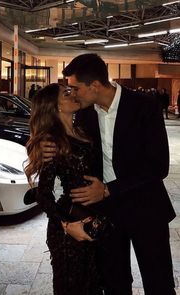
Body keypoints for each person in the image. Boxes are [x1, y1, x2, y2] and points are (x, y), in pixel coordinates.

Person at [41, 53, 176, 295]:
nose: (72, 93)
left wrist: (108, 188)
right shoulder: (83, 113)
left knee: (159, 281)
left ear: (94, 85)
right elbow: (57, 129)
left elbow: (158, 166)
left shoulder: (144, 106)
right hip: (105, 213)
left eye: (75, 87)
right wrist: (44, 146)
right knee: (114, 282)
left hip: (146, 208)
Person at [24, 83, 104, 295]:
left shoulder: (81, 130)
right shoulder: (51, 142)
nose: (73, 94)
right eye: (67, 93)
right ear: (55, 105)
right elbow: (43, 194)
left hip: (91, 218)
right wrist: (67, 225)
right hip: (69, 227)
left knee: (93, 285)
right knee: (71, 287)